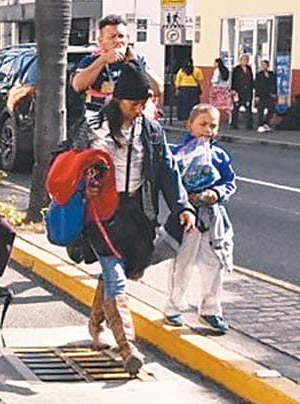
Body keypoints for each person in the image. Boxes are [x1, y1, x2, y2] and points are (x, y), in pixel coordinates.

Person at [76, 61, 195, 375]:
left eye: (145, 103)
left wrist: (182, 206)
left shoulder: (151, 129)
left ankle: (94, 324)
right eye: (133, 103)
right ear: (118, 100)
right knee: (114, 273)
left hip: (137, 213)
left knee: (122, 269)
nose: (139, 108)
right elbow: (66, 163)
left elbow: (168, 171)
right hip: (99, 212)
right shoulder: (93, 127)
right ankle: (128, 347)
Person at [163, 104, 235, 333]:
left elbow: (229, 181)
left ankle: (211, 310)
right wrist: (185, 200)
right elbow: (172, 183)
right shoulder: (178, 154)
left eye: (213, 126)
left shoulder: (219, 155)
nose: (208, 130)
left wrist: (217, 193)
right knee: (182, 263)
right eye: (203, 124)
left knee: (213, 262)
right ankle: (173, 306)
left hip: (213, 218)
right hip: (188, 219)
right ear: (189, 125)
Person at [72, 15, 163, 119]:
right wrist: (103, 60)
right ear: (100, 41)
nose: (117, 41)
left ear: (127, 38)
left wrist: (135, 63)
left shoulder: (137, 59)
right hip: (99, 117)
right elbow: (77, 86)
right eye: (112, 37)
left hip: (131, 118)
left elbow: (158, 90)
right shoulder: (91, 60)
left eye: (121, 36)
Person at [231, 54, 254, 130]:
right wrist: (233, 90)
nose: (245, 61)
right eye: (243, 59)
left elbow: (251, 79)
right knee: (236, 107)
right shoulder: (236, 69)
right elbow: (233, 80)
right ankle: (234, 124)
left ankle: (249, 125)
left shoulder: (249, 68)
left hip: (247, 91)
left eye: (246, 59)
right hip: (238, 91)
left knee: (248, 108)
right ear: (240, 61)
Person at [254, 59, 277, 133]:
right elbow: (257, 85)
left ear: (268, 66)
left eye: (265, 65)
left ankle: (267, 124)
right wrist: (257, 96)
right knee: (260, 110)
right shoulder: (259, 74)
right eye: (262, 65)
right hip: (261, 95)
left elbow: (274, 84)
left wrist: (274, 93)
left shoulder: (272, 74)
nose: (263, 66)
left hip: (270, 95)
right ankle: (260, 125)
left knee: (271, 110)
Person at [209, 58, 232, 124]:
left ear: (217, 63)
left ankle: (214, 118)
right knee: (226, 105)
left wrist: (211, 80)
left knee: (214, 105)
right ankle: (230, 117)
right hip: (225, 89)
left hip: (216, 89)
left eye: (215, 63)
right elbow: (228, 81)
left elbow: (215, 80)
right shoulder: (227, 70)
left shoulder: (217, 71)